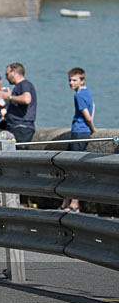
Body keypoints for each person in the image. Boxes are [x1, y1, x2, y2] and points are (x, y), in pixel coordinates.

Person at [60, 67, 95, 213]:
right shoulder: (87, 92)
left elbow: (86, 115)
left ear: (82, 80)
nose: (71, 83)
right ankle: (67, 201)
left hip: (79, 131)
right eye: (69, 80)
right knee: (72, 166)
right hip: (83, 132)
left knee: (72, 167)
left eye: (74, 80)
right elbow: (93, 106)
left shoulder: (79, 95)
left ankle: (73, 203)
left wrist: (91, 127)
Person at [0, 62, 36, 147]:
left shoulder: (24, 84)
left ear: (14, 72)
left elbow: (26, 99)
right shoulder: (18, 86)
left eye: (7, 74)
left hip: (21, 128)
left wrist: (9, 97)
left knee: (19, 157)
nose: (6, 77)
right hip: (14, 127)